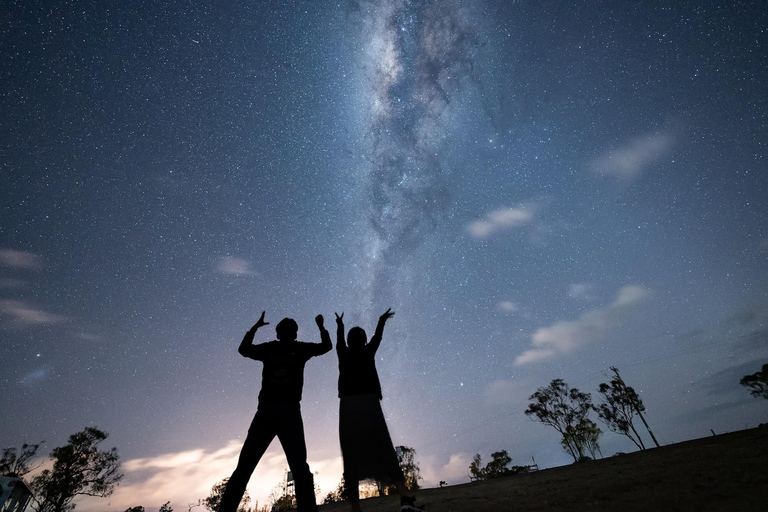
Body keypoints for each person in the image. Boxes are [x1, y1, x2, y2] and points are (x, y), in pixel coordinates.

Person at [219, 311, 332, 512]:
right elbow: (326, 346)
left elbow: (243, 349)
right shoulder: (300, 348)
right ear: (295, 334)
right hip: (289, 411)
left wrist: (254, 328)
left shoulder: (269, 348)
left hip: (266, 411)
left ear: (278, 334)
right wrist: (321, 327)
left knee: (245, 467)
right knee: (300, 468)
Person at [334, 308, 423, 512]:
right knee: (383, 446)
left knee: (350, 453)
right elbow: (377, 337)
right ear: (364, 340)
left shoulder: (343, 353)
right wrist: (382, 320)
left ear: (349, 340)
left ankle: (356, 508)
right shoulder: (367, 351)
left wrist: (340, 325)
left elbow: (339, 341)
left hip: (347, 406)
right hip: (369, 403)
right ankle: (406, 498)